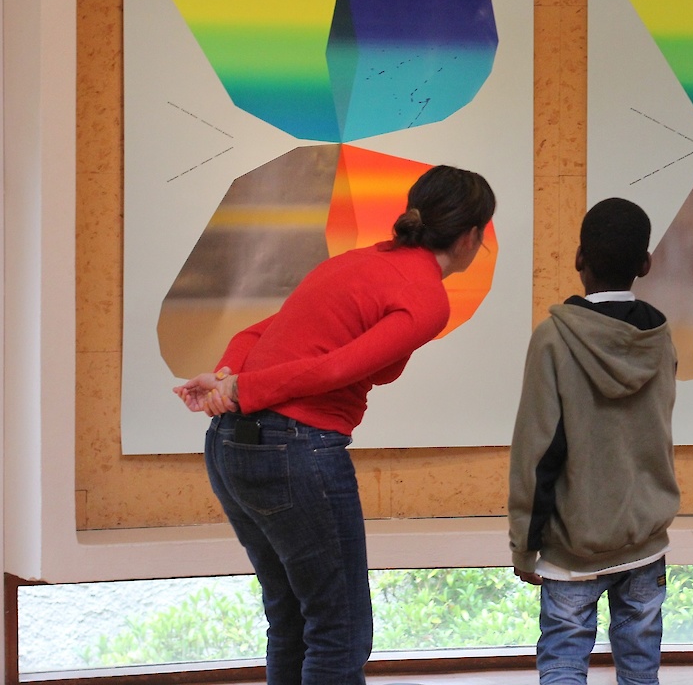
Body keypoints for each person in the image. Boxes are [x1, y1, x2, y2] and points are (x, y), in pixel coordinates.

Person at [173, 164, 495, 685]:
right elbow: (337, 367)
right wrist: (239, 388)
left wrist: (228, 377)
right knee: (340, 632)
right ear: (471, 236)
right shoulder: (427, 297)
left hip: (231, 446)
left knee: (293, 619)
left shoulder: (359, 261)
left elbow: (260, 331)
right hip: (293, 451)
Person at [508, 197, 680, 685]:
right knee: (641, 667)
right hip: (645, 540)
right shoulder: (660, 339)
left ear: (580, 258)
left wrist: (524, 545)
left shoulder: (553, 338)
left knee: (564, 661)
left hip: (572, 547)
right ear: (645, 264)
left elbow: (536, 451)